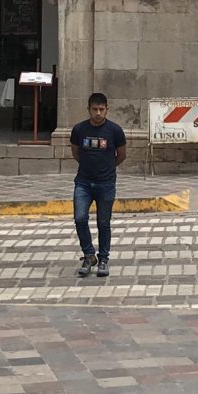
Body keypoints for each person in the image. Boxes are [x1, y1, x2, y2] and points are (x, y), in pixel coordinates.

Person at [69, 91, 128, 278]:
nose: (98, 113)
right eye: (94, 109)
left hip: (106, 183)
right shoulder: (79, 130)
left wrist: (108, 168)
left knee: (104, 223)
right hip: (84, 182)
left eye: (101, 109)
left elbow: (122, 155)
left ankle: (103, 258)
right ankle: (88, 255)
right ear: (88, 109)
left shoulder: (115, 131)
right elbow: (75, 152)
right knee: (79, 218)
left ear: (107, 110)